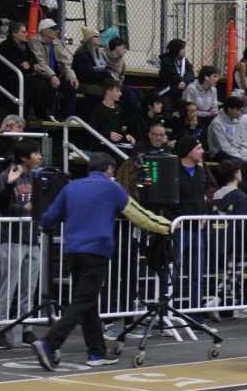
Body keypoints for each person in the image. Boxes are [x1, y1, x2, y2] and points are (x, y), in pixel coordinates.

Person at [31, 153, 170, 370]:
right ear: (109, 170)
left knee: (88, 302)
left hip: (73, 250)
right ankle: (49, 343)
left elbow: (50, 216)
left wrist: (44, 226)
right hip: (96, 251)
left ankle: (96, 352)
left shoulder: (72, 187)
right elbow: (139, 215)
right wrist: (165, 225)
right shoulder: (112, 188)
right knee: (82, 301)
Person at [0, 141, 42, 349]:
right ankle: (0, 328)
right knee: (7, 286)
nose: (39, 157)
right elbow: (1, 205)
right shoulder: (8, 175)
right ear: (24, 157)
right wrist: (23, 208)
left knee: (29, 287)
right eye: (35, 153)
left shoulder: (36, 177)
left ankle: (27, 328)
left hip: (32, 237)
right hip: (12, 237)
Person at [0, 21, 53, 120]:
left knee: (43, 82)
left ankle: (41, 111)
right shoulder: (5, 45)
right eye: (23, 32)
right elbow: (9, 63)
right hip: (10, 77)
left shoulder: (25, 46)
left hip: (24, 74)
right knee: (29, 81)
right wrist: (24, 64)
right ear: (14, 33)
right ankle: (27, 112)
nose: (26, 34)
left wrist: (30, 64)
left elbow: (32, 59)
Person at [28, 18, 78, 120]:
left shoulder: (56, 42)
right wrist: (52, 75)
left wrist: (72, 77)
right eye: (54, 29)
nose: (57, 31)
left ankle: (67, 117)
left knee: (71, 87)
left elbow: (65, 61)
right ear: (45, 31)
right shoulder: (35, 41)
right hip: (42, 74)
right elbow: (40, 62)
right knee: (52, 85)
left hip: (57, 74)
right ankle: (50, 115)